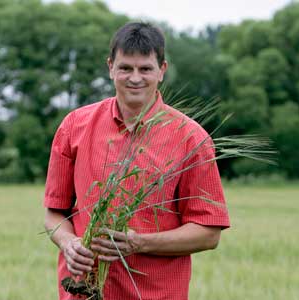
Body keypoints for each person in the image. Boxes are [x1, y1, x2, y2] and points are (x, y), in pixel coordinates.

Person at [43, 21, 229, 300]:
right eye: (125, 68)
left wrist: (139, 243)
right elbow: (54, 213)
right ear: (110, 67)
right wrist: (68, 243)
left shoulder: (192, 139)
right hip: (83, 292)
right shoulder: (74, 126)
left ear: (162, 70)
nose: (135, 78)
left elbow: (208, 233)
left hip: (155, 294)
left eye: (145, 69)